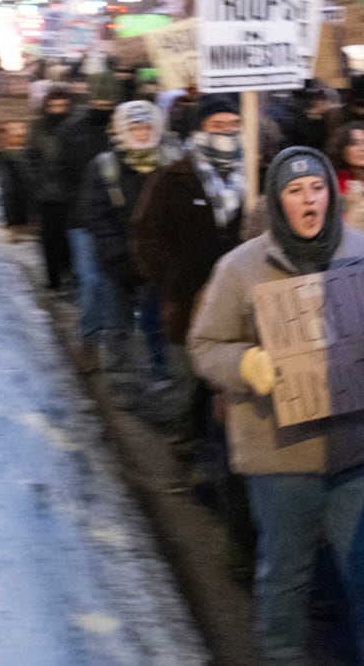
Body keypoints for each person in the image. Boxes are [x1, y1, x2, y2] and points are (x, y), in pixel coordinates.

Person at [188, 146, 364, 666]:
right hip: (281, 458)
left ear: (330, 195)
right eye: (295, 191)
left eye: (316, 188)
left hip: (360, 452)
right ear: (277, 201)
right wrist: (246, 365)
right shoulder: (239, 269)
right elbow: (205, 346)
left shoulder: (363, 252)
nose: (308, 199)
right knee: (286, 578)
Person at [130, 94, 246, 455]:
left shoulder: (256, 174)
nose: (227, 132)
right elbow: (144, 236)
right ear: (200, 130)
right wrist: (173, 281)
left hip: (242, 304)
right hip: (186, 304)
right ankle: (184, 448)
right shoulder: (172, 178)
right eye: (217, 126)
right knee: (188, 382)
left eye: (232, 125)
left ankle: (226, 459)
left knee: (235, 384)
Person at [79, 100, 165, 375]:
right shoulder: (104, 167)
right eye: (135, 128)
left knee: (158, 325)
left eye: (146, 127)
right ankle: (121, 382)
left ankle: (160, 377)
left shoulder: (167, 164)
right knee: (118, 327)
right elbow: (96, 215)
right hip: (118, 264)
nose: (142, 133)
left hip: (156, 263)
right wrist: (118, 253)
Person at [60, 72, 121, 370]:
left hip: (116, 220)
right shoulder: (74, 130)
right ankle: (89, 338)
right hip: (81, 221)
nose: (103, 104)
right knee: (91, 281)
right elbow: (61, 173)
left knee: (111, 282)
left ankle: (113, 340)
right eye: (99, 98)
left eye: (108, 99)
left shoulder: (121, 130)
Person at [23, 87, 74, 292]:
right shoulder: (38, 127)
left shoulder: (73, 128)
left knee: (68, 237)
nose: (58, 110)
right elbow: (29, 156)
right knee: (49, 239)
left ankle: (68, 272)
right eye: (54, 106)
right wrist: (37, 181)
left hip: (70, 193)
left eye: (62, 106)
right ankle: (53, 278)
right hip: (47, 193)